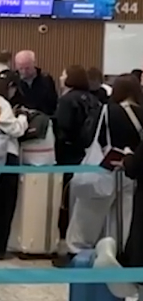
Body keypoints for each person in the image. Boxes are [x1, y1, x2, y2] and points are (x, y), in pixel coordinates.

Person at [66, 74, 140, 260]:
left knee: (87, 218)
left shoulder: (107, 110)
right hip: (130, 172)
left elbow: (88, 136)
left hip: (104, 170)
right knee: (121, 221)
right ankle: (114, 255)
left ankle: (77, 254)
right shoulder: (141, 113)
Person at [53, 64, 101, 265]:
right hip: (89, 156)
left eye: (63, 74)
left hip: (68, 156)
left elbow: (62, 129)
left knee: (66, 201)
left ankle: (67, 247)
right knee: (82, 204)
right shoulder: (94, 99)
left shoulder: (67, 100)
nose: (61, 77)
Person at [0, 70, 29, 260]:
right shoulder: (1, 102)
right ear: (11, 87)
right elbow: (15, 129)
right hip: (5, 158)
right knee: (4, 206)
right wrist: (22, 117)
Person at [13, 50, 58, 117]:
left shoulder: (46, 80)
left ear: (34, 64)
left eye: (27, 68)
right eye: (21, 68)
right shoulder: (13, 80)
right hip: (20, 119)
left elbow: (53, 102)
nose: (24, 71)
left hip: (43, 117)